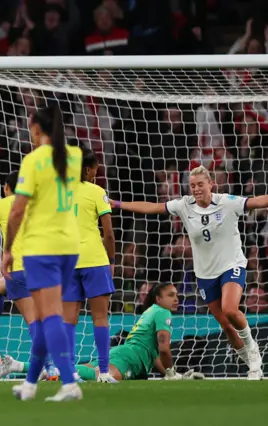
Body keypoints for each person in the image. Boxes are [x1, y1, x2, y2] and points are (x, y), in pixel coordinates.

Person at [111, 165, 265, 379]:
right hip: (205, 273)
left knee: (230, 309)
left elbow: (257, 201)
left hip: (231, 265)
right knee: (226, 326)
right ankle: (251, 365)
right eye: (192, 185)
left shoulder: (227, 202)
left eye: (200, 184)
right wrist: (118, 204)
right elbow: (152, 207)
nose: (196, 189)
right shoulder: (184, 205)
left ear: (211, 184)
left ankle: (254, 353)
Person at [2, 104, 84, 402]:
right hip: (69, 246)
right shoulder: (73, 157)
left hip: (41, 247)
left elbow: (17, 210)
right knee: (44, 315)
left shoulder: (34, 161)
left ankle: (69, 382)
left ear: (37, 128)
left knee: (49, 316)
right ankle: (30, 384)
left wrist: (8, 249)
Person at [0, 171, 57, 381]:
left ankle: (51, 367)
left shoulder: (2, 204)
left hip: (18, 269)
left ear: (7, 187)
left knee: (33, 321)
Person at [68, 282, 204, 381]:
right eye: (171, 295)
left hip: (124, 352)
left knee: (90, 369)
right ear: (158, 299)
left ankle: (57, 370)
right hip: (132, 359)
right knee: (101, 377)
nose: (176, 299)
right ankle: (58, 370)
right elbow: (163, 349)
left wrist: (173, 375)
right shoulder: (163, 312)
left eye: (176, 295)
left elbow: (154, 356)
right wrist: (171, 373)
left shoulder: (150, 312)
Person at [63, 147, 116, 383]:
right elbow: (109, 234)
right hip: (94, 261)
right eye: (95, 169)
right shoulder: (97, 192)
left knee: (68, 320)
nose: (96, 173)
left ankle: (70, 372)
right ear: (87, 169)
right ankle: (103, 372)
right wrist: (112, 261)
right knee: (100, 318)